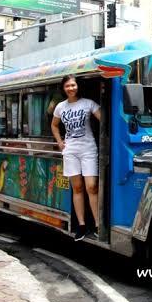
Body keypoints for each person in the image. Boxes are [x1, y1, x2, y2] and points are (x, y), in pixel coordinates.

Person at [51, 75, 101, 241]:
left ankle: (98, 225)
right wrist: (60, 142)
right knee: (77, 187)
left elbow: (104, 119)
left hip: (88, 149)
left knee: (92, 186)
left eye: (73, 85)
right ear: (63, 88)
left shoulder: (88, 103)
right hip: (70, 150)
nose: (71, 88)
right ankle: (81, 225)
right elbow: (54, 125)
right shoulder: (60, 107)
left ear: (77, 86)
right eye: (67, 86)